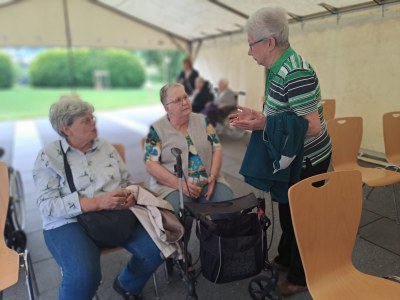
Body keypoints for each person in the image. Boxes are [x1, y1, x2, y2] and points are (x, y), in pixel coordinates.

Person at [229, 7, 332, 297]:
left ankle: (300, 277)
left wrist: (265, 122)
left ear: (269, 42)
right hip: (294, 159)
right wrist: (259, 117)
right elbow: (283, 112)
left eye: (251, 43)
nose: (249, 51)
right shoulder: (277, 68)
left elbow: (311, 127)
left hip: (308, 160)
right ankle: (287, 259)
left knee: (300, 219)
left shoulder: (294, 72)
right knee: (288, 213)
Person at [32, 96, 162, 300]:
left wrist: (129, 196)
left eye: (93, 118)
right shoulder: (48, 156)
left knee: (157, 250)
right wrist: (97, 203)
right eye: (86, 120)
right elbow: (47, 206)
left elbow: (126, 181)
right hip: (68, 222)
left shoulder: (106, 148)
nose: (94, 123)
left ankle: (127, 284)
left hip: (114, 214)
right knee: (84, 276)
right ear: (66, 128)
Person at [144, 83, 233, 215]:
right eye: (178, 100)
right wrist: (180, 185)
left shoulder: (203, 121)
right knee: (176, 214)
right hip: (172, 186)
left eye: (185, 97)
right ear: (167, 107)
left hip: (208, 180)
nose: (185, 102)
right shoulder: (157, 129)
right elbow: (151, 164)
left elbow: (216, 148)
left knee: (227, 206)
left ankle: (213, 234)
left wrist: (213, 176)